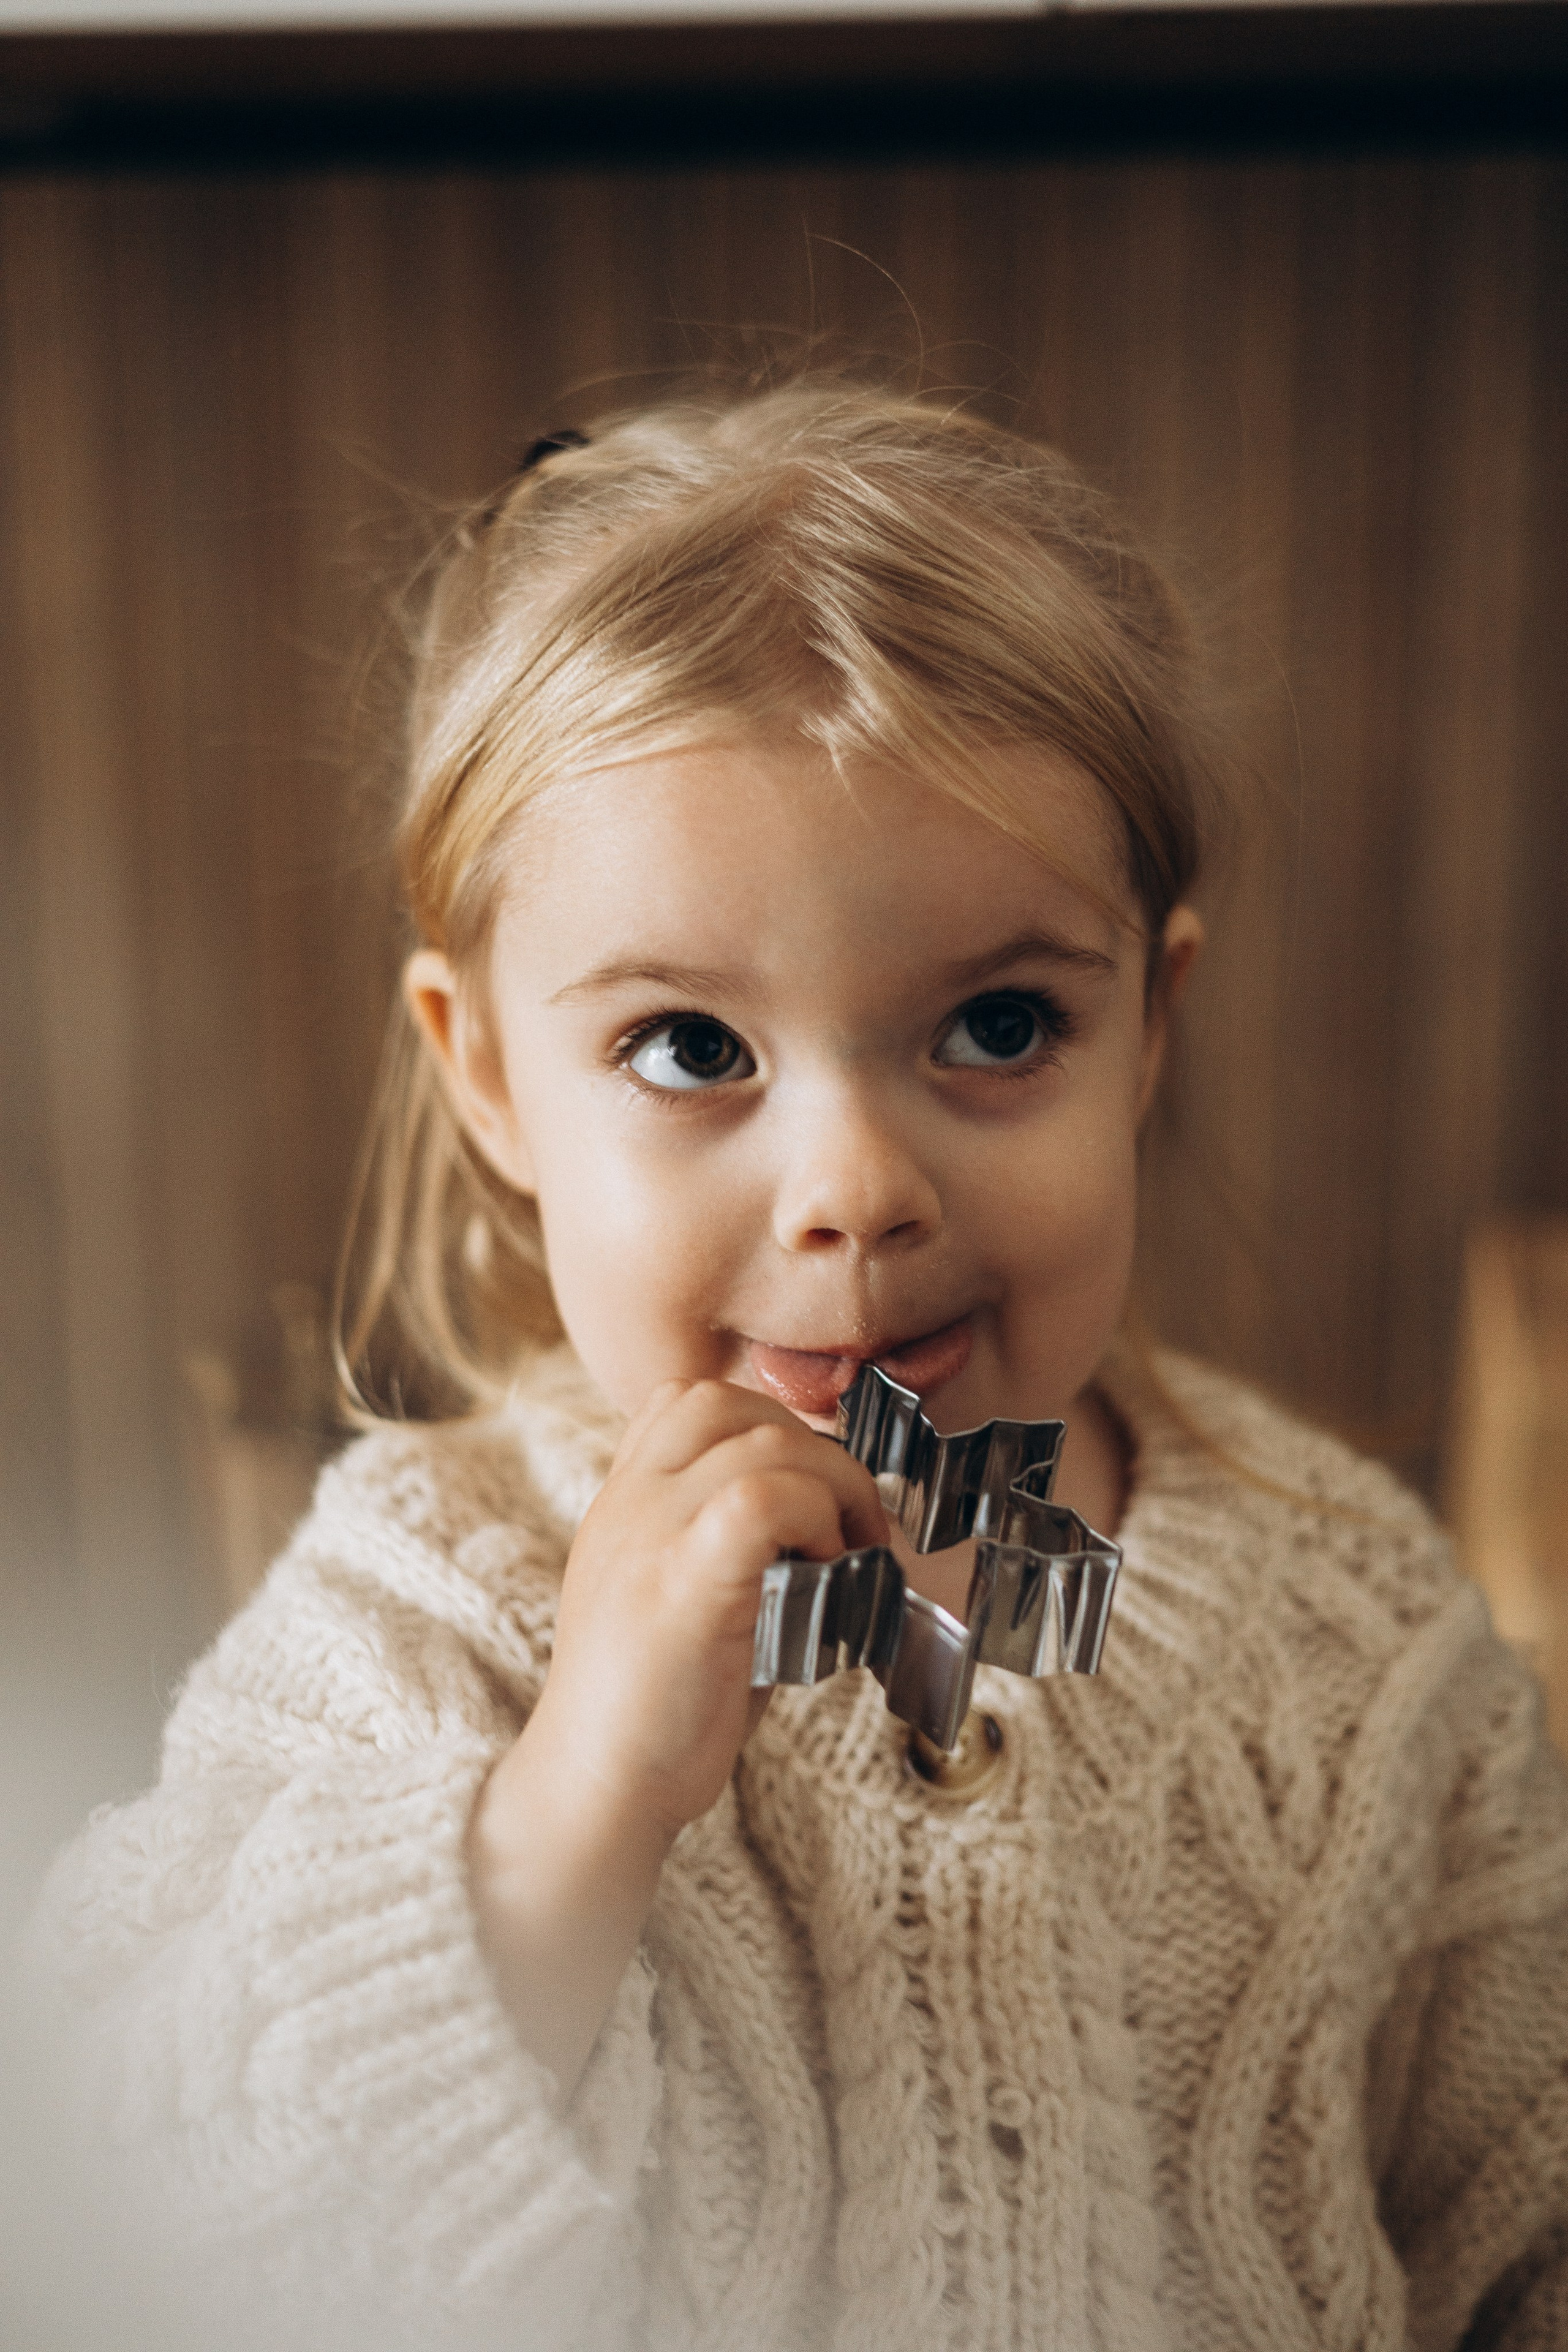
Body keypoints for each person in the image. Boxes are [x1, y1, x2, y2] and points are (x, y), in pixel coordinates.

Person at [30, 382, 1568, 2352]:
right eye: (691, 1049)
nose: (851, 1189)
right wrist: (562, 1816)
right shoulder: (425, 1607)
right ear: (490, 1073)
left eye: (998, 1025)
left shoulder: (1359, 1629)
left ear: (1150, 1029)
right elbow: (131, 2231)